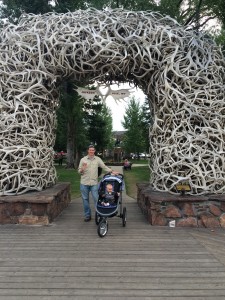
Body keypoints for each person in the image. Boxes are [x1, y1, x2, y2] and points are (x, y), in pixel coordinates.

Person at [78, 145, 117, 222]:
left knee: (97, 199)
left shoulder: (97, 159)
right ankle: (87, 215)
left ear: (94, 151)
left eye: (93, 150)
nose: (91, 151)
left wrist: (112, 171)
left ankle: (99, 214)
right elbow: (79, 171)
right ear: (88, 151)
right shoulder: (83, 160)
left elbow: (104, 166)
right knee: (85, 200)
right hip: (84, 183)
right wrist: (82, 169)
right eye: (90, 150)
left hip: (94, 183)